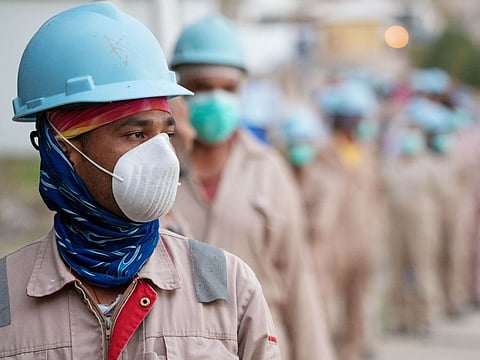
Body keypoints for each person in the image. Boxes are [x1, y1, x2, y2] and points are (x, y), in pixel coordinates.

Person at [0, 3, 281, 359]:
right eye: (135, 134)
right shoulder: (7, 301)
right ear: (64, 147)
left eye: (165, 133)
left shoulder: (228, 286)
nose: (163, 158)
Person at [169, 14, 335, 360]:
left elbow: (297, 278)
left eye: (227, 88)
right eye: (200, 86)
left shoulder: (269, 169)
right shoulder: (154, 172)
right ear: (177, 90)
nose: (215, 98)